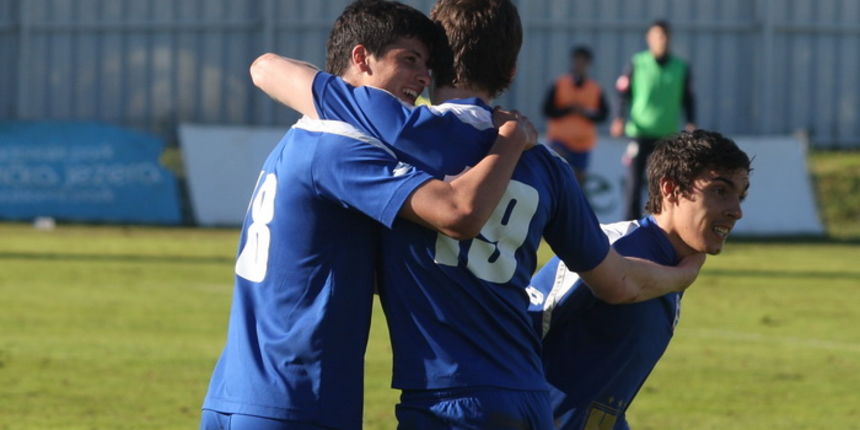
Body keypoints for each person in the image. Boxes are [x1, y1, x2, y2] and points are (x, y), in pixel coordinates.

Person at [251, 1, 705, 427]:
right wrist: (681, 275)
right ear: (510, 71)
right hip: (528, 393)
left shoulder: (398, 129)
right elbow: (617, 282)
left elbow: (270, 69)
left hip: (444, 397)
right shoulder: (547, 166)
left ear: (431, 67)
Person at [199, 2, 537, 429]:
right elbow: (457, 211)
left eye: (428, 65)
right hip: (298, 398)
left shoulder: (303, 132)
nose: (422, 77)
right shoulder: (341, 149)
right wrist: (510, 139)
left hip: (236, 390)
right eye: (409, 60)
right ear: (361, 58)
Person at [529, 130, 751, 429]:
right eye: (720, 191)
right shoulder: (606, 250)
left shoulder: (675, 268)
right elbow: (511, 336)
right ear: (671, 189)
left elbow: (601, 398)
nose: (736, 211)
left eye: (741, 195)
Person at [611, 20, 696, 220]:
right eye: (657, 36)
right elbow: (622, 93)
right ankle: (630, 226)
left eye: (665, 36)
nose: (662, 40)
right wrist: (618, 118)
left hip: (667, 135)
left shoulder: (680, 67)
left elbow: (688, 98)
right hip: (639, 133)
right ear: (649, 39)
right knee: (633, 184)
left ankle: (662, 225)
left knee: (665, 183)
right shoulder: (637, 63)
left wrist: (691, 121)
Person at [543, 45, 608, 185]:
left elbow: (603, 115)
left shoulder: (595, 88)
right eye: (577, 61)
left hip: (582, 144)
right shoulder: (559, 84)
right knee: (557, 176)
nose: (579, 65)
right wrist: (568, 110)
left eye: (583, 62)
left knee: (578, 183)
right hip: (560, 140)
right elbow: (547, 110)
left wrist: (585, 113)